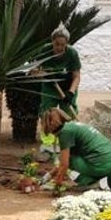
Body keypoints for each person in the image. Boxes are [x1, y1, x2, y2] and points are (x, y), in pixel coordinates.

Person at [42, 108, 111, 193]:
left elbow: (64, 164)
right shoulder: (72, 126)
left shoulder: (65, 133)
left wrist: (57, 185)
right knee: (70, 158)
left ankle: (92, 183)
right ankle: (110, 179)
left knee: (67, 160)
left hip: (102, 163)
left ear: (52, 124)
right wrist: (49, 175)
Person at [32, 24, 81, 158]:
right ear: (52, 41)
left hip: (68, 86)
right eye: (56, 44)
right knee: (46, 113)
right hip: (50, 86)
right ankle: (48, 145)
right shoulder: (44, 51)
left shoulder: (72, 54)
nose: (59, 48)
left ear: (67, 44)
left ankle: (68, 144)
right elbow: (33, 71)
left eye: (62, 45)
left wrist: (70, 93)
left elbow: (76, 76)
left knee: (69, 114)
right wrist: (44, 74)